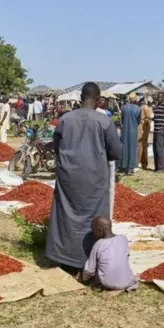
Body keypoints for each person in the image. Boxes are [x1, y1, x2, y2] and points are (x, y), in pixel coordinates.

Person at [45, 82, 122, 275]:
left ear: (80, 99)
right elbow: (116, 152)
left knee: (67, 215)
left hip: (68, 176)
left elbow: (55, 146)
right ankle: (89, 259)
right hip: (95, 177)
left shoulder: (65, 119)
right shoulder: (104, 121)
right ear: (98, 100)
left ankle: (64, 259)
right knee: (94, 217)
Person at [79, 216, 137, 291]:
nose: (93, 235)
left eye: (94, 232)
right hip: (126, 282)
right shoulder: (123, 239)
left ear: (100, 231)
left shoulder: (98, 244)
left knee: (96, 271)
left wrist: (83, 279)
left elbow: (89, 271)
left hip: (108, 284)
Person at [118, 92, 141, 176]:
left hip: (125, 130)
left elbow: (122, 120)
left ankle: (123, 166)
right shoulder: (138, 109)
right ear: (135, 100)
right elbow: (139, 121)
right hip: (133, 130)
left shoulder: (123, 108)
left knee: (124, 148)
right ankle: (130, 169)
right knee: (132, 148)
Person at [137, 98, 152, 170]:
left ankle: (142, 162)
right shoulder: (146, 108)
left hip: (142, 128)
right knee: (143, 146)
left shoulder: (142, 108)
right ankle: (143, 163)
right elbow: (149, 119)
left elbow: (148, 119)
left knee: (141, 146)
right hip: (143, 128)